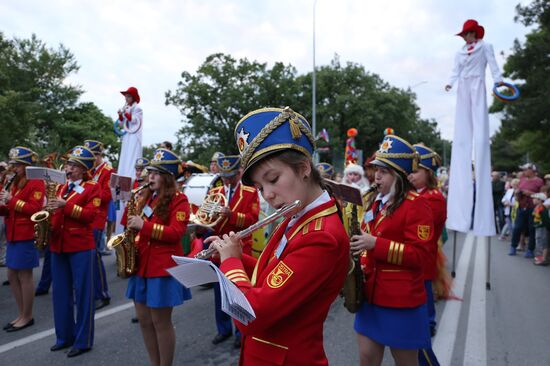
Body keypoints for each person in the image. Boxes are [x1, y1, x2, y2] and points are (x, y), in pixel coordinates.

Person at [206, 107, 349, 365]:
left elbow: (251, 315)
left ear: (304, 167)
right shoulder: (297, 214)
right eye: (260, 187)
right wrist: (232, 256)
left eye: (273, 179)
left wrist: (231, 264)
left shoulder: (321, 236)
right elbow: (275, 273)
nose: (268, 195)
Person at [351, 135, 433, 366]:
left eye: (384, 171)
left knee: (406, 362)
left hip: (401, 302)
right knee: (367, 359)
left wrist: (375, 244)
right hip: (369, 297)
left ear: (398, 175)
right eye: (376, 169)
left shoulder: (417, 204)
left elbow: (421, 256)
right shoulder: (374, 201)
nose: (376, 175)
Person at [125, 148, 192, 366]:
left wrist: (144, 226)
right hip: (141, 264)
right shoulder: (146, 196)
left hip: (162, 267)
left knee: (160, 321)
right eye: (149, 172)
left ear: (167, 177)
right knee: (144, 321)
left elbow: (176, 233)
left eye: (155, 173)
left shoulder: (180, 200)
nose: (149, 176)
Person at [445, 19, 504, 237]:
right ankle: (459, 217)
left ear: (473, 34)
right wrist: (450, 82)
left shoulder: (485, 47)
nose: (464, 38)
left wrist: (499, 82)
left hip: (478, 83)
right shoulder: (460, 53)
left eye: (465, 35)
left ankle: (481, 220)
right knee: (461, 136)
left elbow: (493, 65)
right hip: (463, 87)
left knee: (479, 135)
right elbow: (455, 70)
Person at [48, 146, 100, 357]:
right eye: (68, 164)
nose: (68, 168)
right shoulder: (62, 187)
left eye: (72, 165)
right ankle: (64, 336)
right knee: (60, 294)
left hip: (80, 246)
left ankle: (83, 340)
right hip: (58, 244)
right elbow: (55, 210)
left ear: (83, 169)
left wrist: (64, 206)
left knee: (84, 294)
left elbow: (90, 216)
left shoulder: (92, 187)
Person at [208, 154, 260, 348]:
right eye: (224, 176)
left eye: (230, 176)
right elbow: (208, 219)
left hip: (240, 248)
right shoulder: (216, 191)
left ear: (239, 173)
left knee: (238, 290)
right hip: (218, 247)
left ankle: (241, 330)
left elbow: (252, 219)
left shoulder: (250, 191)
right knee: (219, 291)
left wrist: (232, 215)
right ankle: (223, 329)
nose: (227, 180)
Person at [0, 147, 45, 332]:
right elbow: (9, 209)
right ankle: (21, 313)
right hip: (13, 233)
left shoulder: (36, 182)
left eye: (17, 164)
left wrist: (10, 200)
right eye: (13, 164)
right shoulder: (15, 182)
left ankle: (27, 316)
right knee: (11, 275)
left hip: (25, 234)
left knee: (25, 276)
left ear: (27, 165)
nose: (14, 168)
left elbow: (35, 209)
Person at [409, 143, 446, 365]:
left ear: (428, 173)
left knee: (420, 317)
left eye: (415, 171)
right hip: (415, 262)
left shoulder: (433, 197)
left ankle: (428, 325)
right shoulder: (414, 194)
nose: (410, 176)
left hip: (421, 260)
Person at [84, 140, 113, 310]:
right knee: (86, 258)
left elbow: (108, 196)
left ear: (99, 155)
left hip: (97, 218)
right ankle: (90, 293)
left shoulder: (107, 171)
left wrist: (88, 193)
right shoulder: (88, 170)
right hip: (85, 217)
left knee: (94, 257)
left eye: (92, 155)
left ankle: (102, 294)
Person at [509, 163, 544, 257]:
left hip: (533, 208)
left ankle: (530, 250)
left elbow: (543, 196)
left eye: (525, 170)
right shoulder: (522, 180)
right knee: (517, 228)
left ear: (532, 170)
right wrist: (517, 194)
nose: (523, 171)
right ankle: (513, 247)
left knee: (532, 229)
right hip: (521, 207)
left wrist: (530, 193)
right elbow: (518, 193)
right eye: (523, 170)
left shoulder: (539, 181)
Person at [117, 86, 143, 179]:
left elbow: (134, 121)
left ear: (133, 97)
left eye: (128, 96)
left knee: (132, 155)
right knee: (125, 156)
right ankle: (122, 176)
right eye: (126, 96)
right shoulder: (126, 107)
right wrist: (120, 116)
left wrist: (126, 113)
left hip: (134, 135)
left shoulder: (138, 109)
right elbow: (121, 124)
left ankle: (132, 177)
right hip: (127, 135)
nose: (126, 98)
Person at [532, 193, 549, 266]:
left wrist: (548, 228)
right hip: (538, 227)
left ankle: (544, 259)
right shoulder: (537, 207)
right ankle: (539, 257)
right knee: (538, 241)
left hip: (543, 228)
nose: (533, 200)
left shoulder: (542, 208)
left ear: (540, 200)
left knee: (543, 242)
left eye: (535, 198)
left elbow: (546, 220)